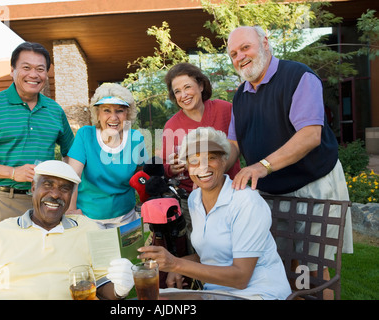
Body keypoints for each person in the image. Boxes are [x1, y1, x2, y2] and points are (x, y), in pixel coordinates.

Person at [226, 26, 353, 298]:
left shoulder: (298, 76)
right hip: (271, 192)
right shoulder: (240, 95)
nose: (240, 57)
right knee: (282, 261)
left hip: (313, 184)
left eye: (245, 48)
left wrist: (261, 166)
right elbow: (234, 146)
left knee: (314, 267)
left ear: (265, 43)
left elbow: (310, 135)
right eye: (233, 53)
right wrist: (208, 167)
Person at [138, 128, 291, 300]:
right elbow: (211, 254)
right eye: (194, 160)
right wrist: (173, 265)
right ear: (187, 167)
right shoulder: (194, 199)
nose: (203, 166)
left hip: (259, 293)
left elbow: (241, 278)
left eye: (211, 158)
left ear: (225, 160)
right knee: (152, 298)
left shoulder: (246, 202)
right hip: (216, 292)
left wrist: (177, 264)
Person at [0, 160, 134, 300]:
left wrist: (120, 288)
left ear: (71, 195)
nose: (55, 194)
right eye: (47, 185)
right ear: (33, 188)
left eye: (65, 188)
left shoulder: (89, 228)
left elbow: (105, 291)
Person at [0, 42, 74, 229]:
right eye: (26, 67)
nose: (34, 75)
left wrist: (65, 189)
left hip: (49, 202)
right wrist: (13, 173)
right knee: (8, 258)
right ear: (13, 70)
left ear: (46, 74)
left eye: (40, 69)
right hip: (6, 201)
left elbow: (72, 153)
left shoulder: (54, 110)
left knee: (50, 256)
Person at [161, 62, 241, 240]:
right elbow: (166, 167)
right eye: (177, 91)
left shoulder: (224, 109)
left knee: (236, 245)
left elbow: (239, 144)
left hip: (232, 192)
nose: (184, 95)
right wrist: (172, 168)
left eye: (187, 87)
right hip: (195, 200)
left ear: (201, 85)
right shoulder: (172, 126)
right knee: (203, 249)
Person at [67, 83, 147, 228]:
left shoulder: (136, 138)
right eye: (106, 110)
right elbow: (72, 177)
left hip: (125, 216)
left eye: (119, 111)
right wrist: (72, 211)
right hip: (88, 217)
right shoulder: (85, 135)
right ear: (97, 113)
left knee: (126, 251)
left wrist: (146, 203)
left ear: (127, 114)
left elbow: (141, 176)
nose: (113, 117)